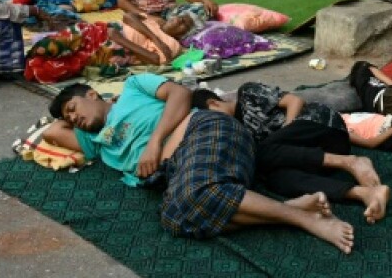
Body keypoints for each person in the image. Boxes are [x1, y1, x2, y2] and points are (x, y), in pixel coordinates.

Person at [44, 77, 356, 253]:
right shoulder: (97, 142)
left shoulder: (133, 88)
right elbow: (51, 133)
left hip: (204, 129)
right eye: (70, 118)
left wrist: (155, 143)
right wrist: (63, 116)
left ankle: (308, 221)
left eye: (73, 108)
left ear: (92, 93)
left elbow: (181, 92)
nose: (73, 119)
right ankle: (295, 210)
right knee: (175, 217)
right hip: (180, 170)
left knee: (194, 191)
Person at [192, 84, 392, 224]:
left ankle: (351, 162)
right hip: (315, 153)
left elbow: (294, 101)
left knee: (261, 153)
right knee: (276, 180)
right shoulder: (236, 133)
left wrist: (284, 134)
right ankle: (363, 193)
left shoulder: (247, 93)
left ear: (214, 103)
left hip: (319, 124)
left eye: (210, 118)